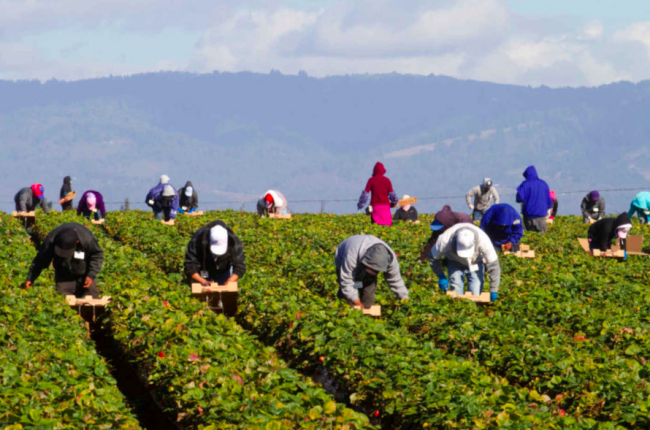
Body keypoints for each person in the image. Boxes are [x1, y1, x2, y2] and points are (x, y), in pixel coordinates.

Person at [25, 223, 103, 298]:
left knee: (90, 300)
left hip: (85, 273)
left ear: (77, 242)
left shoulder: (87, 239)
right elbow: (40, 260)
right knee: (63, 301)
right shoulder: (51, 240)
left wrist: (91, 275)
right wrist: (30, 278)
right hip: (63, 274)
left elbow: (97, 254)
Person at [429, 223, 500, 302]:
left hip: (475, 262)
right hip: (454, 262)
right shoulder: (445, 239)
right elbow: (433, 258)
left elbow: (493, 265)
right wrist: (441, 276)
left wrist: (493, 289)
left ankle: (473, 311)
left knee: (475, 295)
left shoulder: (483, 239)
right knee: (456, 294)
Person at [335, 235, 409, 309]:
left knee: (367, 286)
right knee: (350, 289)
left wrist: (404, 298)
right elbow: (347, 281)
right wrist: (356, 301)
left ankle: (366, 308)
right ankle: (343, 308)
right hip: (344, 255)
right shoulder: (351, 255)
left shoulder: (390, 260)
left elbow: (395, 280)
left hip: (360, 253)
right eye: (369, 269)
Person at [184, 220, 246, 286]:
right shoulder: (198, 239)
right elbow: (190, 264)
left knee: (225, 292)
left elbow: (240, 265)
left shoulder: (234, 242)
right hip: (204, 269)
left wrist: (230, 281)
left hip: (224, 269)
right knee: (204, 292)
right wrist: (202, 281)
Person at [357, 162, 399, 226]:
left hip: (375, 208)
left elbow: (365, 195)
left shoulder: (371, 180)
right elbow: (392, 195)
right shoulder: (387, 180)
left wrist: (360, 205)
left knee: (376, 227)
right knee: (387, 227)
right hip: (386, 208)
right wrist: (395, 202)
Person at [516, 166, 553, 233]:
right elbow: (549, 203)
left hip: (528, 216)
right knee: (541, 239)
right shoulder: (543, 184)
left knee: (529, 238)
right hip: (541, 217)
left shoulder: (525, 184)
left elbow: (519, 198)